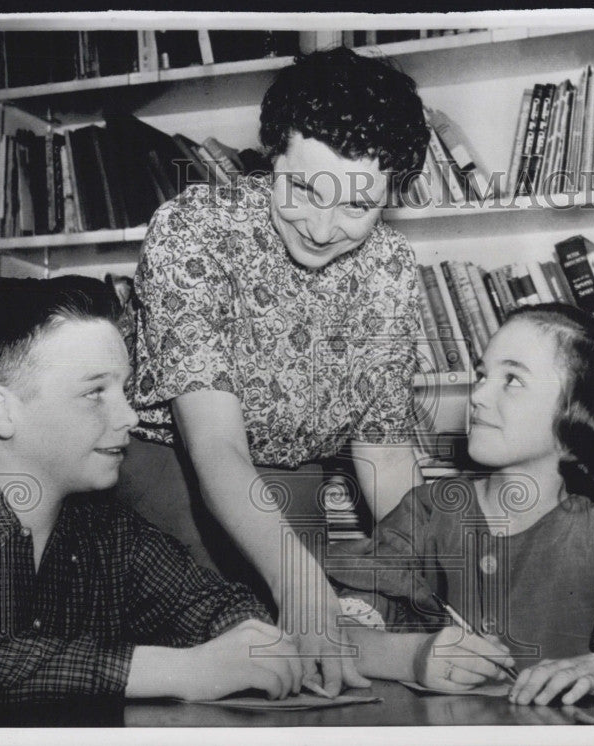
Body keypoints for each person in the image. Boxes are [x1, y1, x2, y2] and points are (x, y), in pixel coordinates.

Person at [117, 46, 430, 695]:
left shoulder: (393, 271)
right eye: (303, 189)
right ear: (271, 158)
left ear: (391, 194)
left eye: (356, 207)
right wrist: (303, 586)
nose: (320, 226)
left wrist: (439, 588)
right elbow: (215, 445)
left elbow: (387, 461)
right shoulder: (193, 227)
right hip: (169, 479)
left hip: (293, 498)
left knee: (323, 675)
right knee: (240, 657)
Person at [0, 277, 302, 724]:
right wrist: (186, 669)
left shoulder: (108, 532)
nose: (128, 416)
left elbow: (212, 605)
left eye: (123, 390)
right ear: (3, 411)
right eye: (95, 392)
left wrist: (253, 643)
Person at [324, 304, 594, 703]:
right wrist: (415, 657)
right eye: (482, 375)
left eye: (512, 380)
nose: (478, 396)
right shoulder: (427, 512)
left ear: (575, 419)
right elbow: (332, 637)